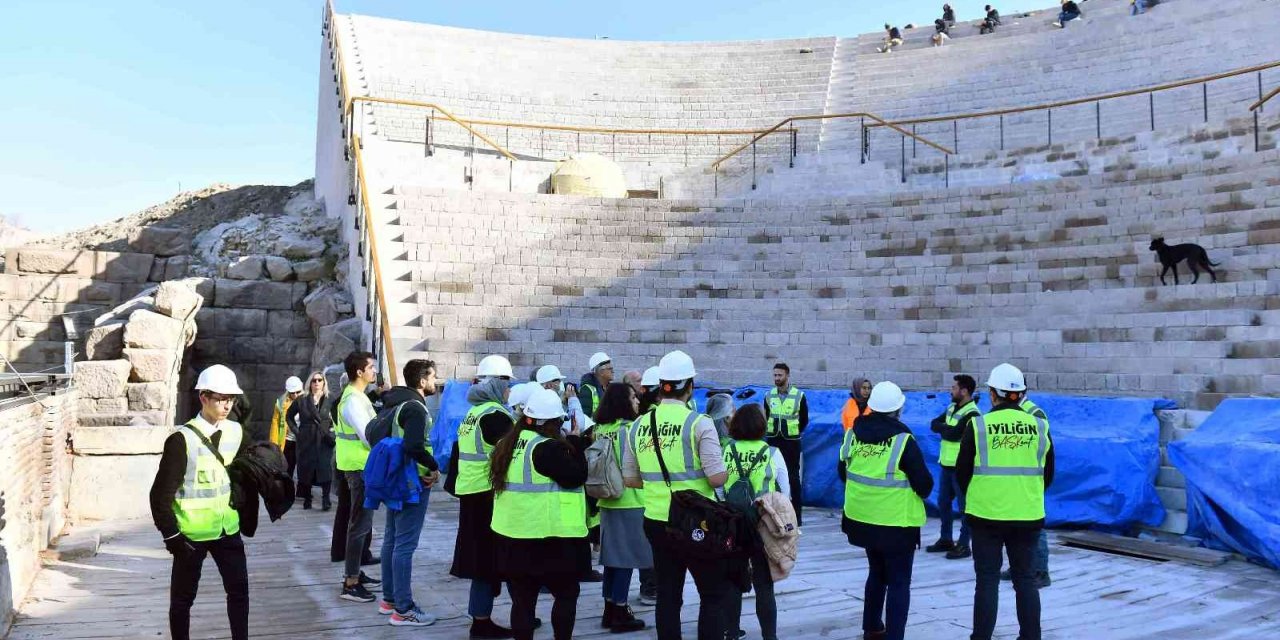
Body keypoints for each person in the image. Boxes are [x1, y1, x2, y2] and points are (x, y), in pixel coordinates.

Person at [623, 350, 731, 640]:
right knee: (712, 594)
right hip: (698, 522)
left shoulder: (637, 426)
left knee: (668, 595)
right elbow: (717, 477)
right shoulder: (699, 423)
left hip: (657, 521)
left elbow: (631, 480)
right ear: (690, 386)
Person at [149, 364, 253, 640]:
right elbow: (159, 496)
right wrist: (172, 536)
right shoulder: (180, 440)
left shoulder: (236, 432)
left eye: (231, 398)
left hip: (226, 529)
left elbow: (245, 472)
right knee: (182, 601)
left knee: (239, 592)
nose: (227, 404)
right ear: (203, 398)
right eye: (220, 398)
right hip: (190, 535)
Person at [957, 363, 1055, 640]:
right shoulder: (1040, 425)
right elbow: (1048, 474)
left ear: (992, 394)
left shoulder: (978, 425)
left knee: (986, 581)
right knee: (1025, 580)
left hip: (985, 516)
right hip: (1027, 516)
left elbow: (962, 474)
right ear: (1021, 393)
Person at [489, 388, 590, 640]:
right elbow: (576, 476)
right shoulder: (547, 449)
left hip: (512, 535)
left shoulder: (507, 443)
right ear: (554, 422)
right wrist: (576, 441)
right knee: (566, 594)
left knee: (523, 601)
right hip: (548, 537)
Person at [839, 382, 932, 640]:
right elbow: (924, 486)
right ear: (898, 409)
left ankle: (872, 628)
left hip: (861, 520)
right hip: (896, 525)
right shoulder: (903, 441)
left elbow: (842, 472)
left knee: (876, 573)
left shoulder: (852, 434)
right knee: (899, 582)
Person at [449, 355, 518, 639]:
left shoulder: (474, 412)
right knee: (489, 559)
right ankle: (483, 620)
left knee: (482, 559)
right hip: (487, 494)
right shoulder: (495, 415)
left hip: (471, 490)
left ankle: (483, 616)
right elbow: (515, 452)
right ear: (497, 383)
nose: (510, 390)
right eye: (507, 383)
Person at [375, 358, 442, 626]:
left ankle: (389, 599)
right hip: (412, 482)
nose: (436, 381)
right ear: (422, 381)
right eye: (433, 377)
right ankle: (403, 608)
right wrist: (434, 467)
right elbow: (415, 445)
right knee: (404, 545)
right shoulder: (415, 408)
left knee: (392, 539)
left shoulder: (398, 403)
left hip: (397, 480)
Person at [724, 404, 788, 640]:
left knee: (732, 580)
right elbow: (785, 495)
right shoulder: (772, 453)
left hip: (732, 523)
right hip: (763, 525)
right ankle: (769, 636)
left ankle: (731, 632)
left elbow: (719, 487)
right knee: (764, 584)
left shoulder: (727, 450)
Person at [593, 382, 649, 633]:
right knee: (626, 559)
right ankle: (620, 610)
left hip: (607, 499)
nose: (637, 401)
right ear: (623, 402)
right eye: (633, 397)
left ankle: (608, 608)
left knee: (613, 559)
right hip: (631, 500)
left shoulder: (599, 429)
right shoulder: (631, 429)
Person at [334, 351, 382, 602]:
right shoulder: (353, 400)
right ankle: (350, 581)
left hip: (361, 466)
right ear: (359, 372)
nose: (375, 371)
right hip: (359, 468)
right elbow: (368, 435)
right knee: (359, 524)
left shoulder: (357, 397)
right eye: (371, 367)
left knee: (361, 524)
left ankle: (355, 572)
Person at [927, 374, 981, 559]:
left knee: (965, 507)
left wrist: (945, 431)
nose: (951, 390)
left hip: (962, 468)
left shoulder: (972, 414)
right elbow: (934, 424)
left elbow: (953, 434)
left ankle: (964, 544)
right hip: (947, 465)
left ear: (964, 391)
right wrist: (946, 430)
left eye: (954, 387)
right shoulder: (952, 407)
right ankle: (946, 539)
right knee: (943, 503)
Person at [1003, 393, 1053, 587]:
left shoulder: (1034, 412)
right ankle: (1017, 566)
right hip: (1013, 480)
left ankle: (1041, 571)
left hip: (1029, 480)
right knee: (1012, 527)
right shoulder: (1008, 411)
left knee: (1035, 528)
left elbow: (1044, 450)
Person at [763, 363, 808, 526]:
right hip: (774, 441)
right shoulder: (768, 395)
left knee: (793, 478)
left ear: (787, 376)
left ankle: (797, 516)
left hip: (791, 442)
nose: (776, 378)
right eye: (775, 375)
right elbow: (767, 416)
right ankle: (775, 514)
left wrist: (793, 431)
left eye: (779, 375)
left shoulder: (799, 395)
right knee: (772, 476)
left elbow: (804, 419)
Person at [286, 371, 336, 510]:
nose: (317, 383)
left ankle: (326, 499)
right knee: (306, 469)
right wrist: (297, 432)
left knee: (325, 467)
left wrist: (333, 432)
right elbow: (289, 416)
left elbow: (338, 417)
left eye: (320, 380)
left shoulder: (330, 398)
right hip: (306, 438)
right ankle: (307, 498)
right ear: (310, 383)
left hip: (324, 438)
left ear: (324, 382)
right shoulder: (302, 399)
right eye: (314, 380)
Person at [269, 377, 304, 479]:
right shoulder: (281, 403)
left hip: (303, 440)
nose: (296, 395)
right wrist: (274, 445)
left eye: (298, 392)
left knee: (304, 469)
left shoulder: (308, 400)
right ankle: (287, 491)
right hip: (288, 440)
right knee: (288, 468)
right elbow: (275, 424)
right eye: (293, 393)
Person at [579, 351, 615, 417]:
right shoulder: (586, 390)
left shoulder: (611, 388)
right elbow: (585, 417)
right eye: (610, 369)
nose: (613, 371)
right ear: (601, 372)